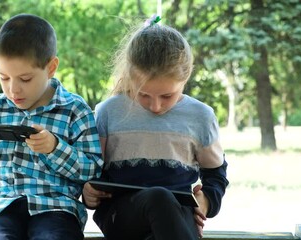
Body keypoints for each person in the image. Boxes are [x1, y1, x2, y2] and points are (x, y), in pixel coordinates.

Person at [82, 15, 229, 240]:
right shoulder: (108, 112)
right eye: (144, 95)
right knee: (159, 198)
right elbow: (89, 170)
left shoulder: (200, 116)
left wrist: (206, 201)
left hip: (177, 216)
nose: (156, 106)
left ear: (185, 77)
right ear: (131, 77)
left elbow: (216, 175)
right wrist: (88, 191)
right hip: (121, 216)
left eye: (167, 96)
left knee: (166, 213)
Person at [0, 14, 104, 240]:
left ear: (51, 68)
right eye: (4, 78)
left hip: (55, 208)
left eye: (25, 79)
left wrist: (54, 148)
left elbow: (92, 170)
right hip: (0, 206)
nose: (13, 90)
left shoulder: (74, 110)